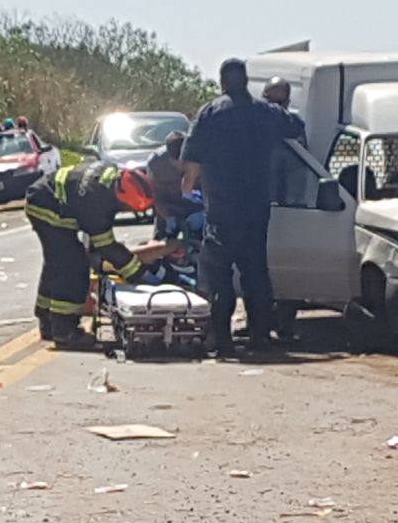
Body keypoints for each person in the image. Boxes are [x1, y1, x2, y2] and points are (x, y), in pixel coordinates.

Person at [181, 58, 303, 355]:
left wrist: (188, 187)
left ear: (222, 82)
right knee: (255, 272)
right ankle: (260, 335)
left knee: (219, 273)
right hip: (256, 207)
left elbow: (193, 159)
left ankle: (221, 339)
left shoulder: (210, 113)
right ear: (247, 81)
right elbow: (296, 127)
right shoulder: (265, 113)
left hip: (222, 207)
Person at [25, 160, 157, 348]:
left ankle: (47, 320)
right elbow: (107, 247)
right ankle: (65, 331)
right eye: (129, 209)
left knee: (57, 260)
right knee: (72, 263)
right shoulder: (96, 204)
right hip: (47, 207)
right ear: (121, 199)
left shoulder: (111, 176)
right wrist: (140, 275)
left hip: (47, 193)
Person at [147, 131, 204, 241]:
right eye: (176, 162)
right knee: (162, 242)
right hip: (169, 207)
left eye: (184, 162)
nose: (181, 166)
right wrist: (168, 217)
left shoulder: (200, 161)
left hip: (197, 207)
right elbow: (157, 197)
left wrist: (203, 213)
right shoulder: (156, 163)